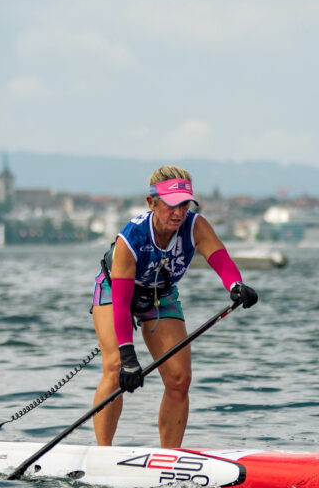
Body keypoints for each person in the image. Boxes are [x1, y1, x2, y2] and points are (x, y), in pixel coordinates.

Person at [90, 165, 258, 448]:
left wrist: (236, 286)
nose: (178, 213)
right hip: (116, 291)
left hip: (160, 294)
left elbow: (221, 260)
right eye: (170, 205)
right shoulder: (131, 239)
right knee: (116, 366)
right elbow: (120, 303)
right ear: (151, 202)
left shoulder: (196, 226)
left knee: (179, 379)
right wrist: (129, 354)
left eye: (184, 204)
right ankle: (103, 453)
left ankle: (170, 459)